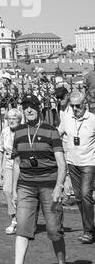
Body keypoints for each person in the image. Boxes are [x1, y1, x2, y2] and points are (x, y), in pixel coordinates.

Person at [0, 94, 69, 264]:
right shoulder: (19, 132)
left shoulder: (51, 131)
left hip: (49, 186)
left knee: (54, 230)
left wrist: (59, 187)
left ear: (39, 109)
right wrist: (14, 190)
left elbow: (61, 164)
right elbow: (17, 163)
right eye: (26, 107)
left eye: (32, 106)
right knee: (22, 226)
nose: (29, 110)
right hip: (26, 186)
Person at [58, 88, 95, 244]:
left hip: (89, 163)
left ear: (84, 104)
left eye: (78, 106)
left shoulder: (92, 119)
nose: (75, 109)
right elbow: (57, 133)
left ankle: (89, 231)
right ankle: (89, 227)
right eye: (72, 106)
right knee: (79, 197)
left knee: (86, 194)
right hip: (72, 163)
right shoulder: (67, 118)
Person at [0, 107, 22, 235]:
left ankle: (20, 219)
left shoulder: (22, 131)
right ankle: (14, 217)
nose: (11, 121)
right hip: (8, 164)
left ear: (19, 120)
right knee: (6, 190)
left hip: (21, 164)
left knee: (19, 192)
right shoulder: (5, 131)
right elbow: (0, 149)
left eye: (14, 119)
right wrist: (0, 166)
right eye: (9, 118)